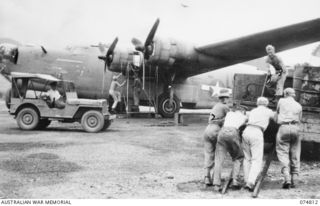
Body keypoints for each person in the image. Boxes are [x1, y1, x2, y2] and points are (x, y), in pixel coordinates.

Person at [241, 97, 276, 191]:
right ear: (266, 104)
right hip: (257, 132)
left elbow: (245, 116)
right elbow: (276, 118)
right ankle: (251, 182)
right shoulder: (268, 111)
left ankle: (246, 180)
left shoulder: (252, 111)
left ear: (257, 103)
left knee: (247, 158)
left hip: (246, 131)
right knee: (256, 159)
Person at [212, 104, 248, 191]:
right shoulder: (244, 117)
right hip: (233, 132)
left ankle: (216, 184)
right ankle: (235, 180)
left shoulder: (229, 114)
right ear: (243, 111)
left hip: (222, 132)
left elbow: (222, 121)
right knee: (238, 157)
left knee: (219, 160)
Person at [276, 88, 302, 189]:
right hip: (295, 128)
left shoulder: (281, 101)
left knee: (283, 152)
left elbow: (277, 113)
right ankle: (294, 180)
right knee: (295, 154)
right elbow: (299, 119)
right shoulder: (299, 105)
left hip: (284, 127)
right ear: (293, 95)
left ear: (285, 94)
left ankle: (286, 177)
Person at [203, 89, 230, 186]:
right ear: (225, 98)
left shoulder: (216, 106)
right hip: (216, 130)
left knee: (208, 154)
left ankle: (206, 177)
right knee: (219, 154)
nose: (227, 99)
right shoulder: (225, 107)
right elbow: (230, 119)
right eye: (227, 97)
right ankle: (216, 179)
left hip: (207, 130)